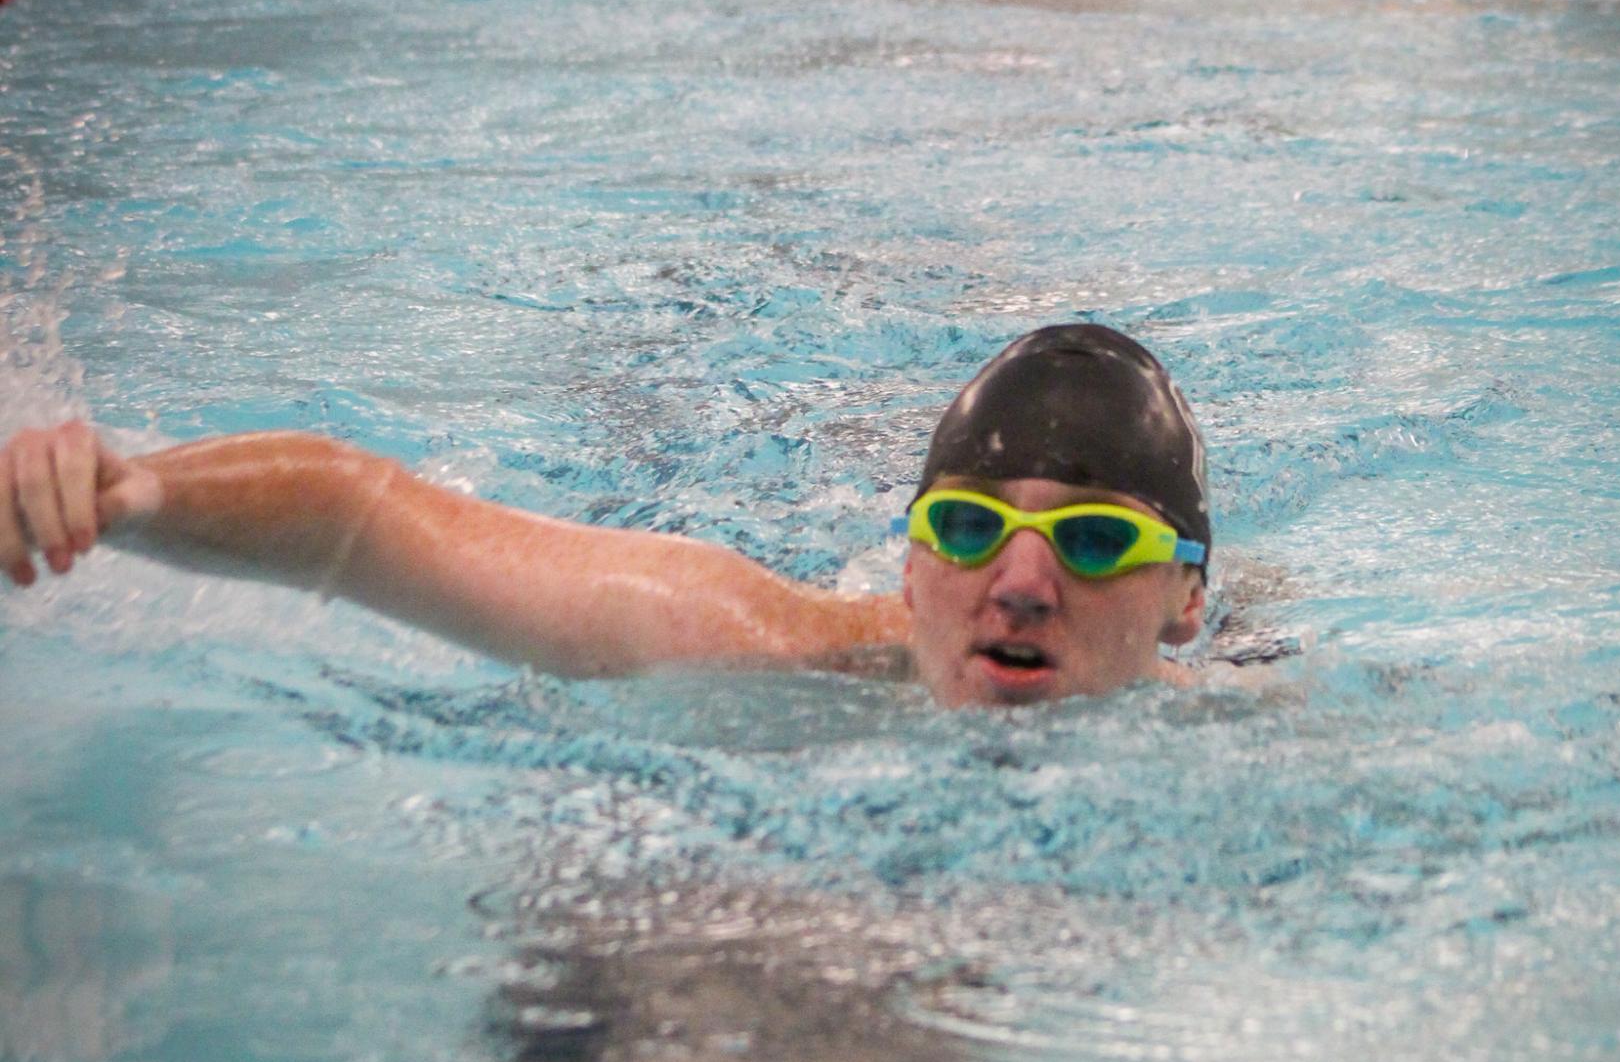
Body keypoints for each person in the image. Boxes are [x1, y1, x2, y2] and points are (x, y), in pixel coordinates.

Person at [0, 323, 1220, 708]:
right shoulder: (751, 642)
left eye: (1097, 540)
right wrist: (129, 493)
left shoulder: (1264, 735)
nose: (1015, 581)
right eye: (963, 528)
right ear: (906, 565)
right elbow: (355, 515)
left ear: (1186, 602)